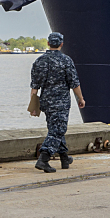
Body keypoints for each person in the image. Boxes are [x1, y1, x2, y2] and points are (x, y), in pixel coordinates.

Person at [30, 32, 86, 173]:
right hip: (61, 102)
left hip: (46, 102)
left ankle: (64, 158)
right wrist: (81, 98)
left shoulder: (39, 61)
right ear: (61, 44)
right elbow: (74, 83)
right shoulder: (66, 61)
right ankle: (43, 158)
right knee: (58, 129)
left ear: (48, 44)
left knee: (54, 128)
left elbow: (34, 87)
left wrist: (33, 106)